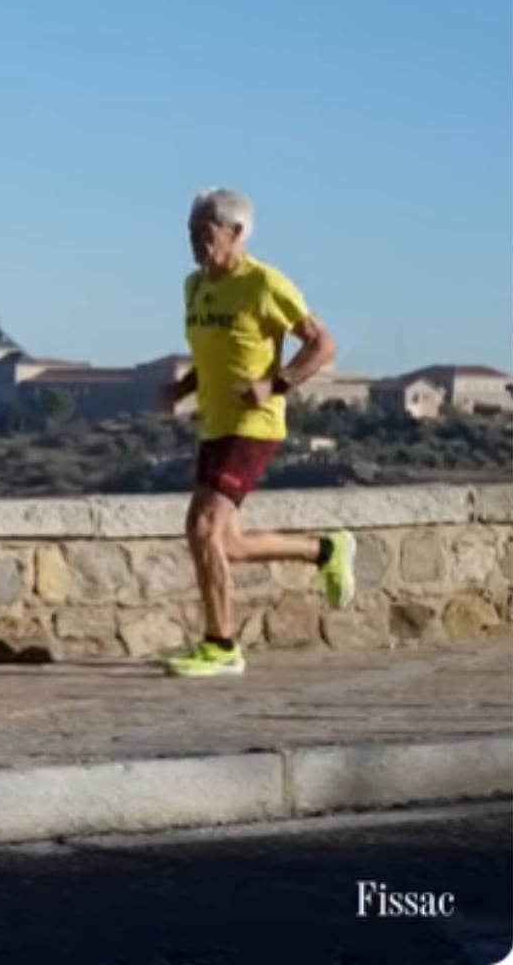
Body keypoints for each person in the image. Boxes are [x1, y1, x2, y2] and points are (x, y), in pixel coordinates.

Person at [160, 187, 356, 678]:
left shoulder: (266, 284)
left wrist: (275, 383)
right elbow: (215, 355)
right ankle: (325, 549)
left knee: (203, 528)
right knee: (222, 541)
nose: (196, 245)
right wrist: (182, 388)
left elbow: (323, 344)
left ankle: (221, 644)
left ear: (236, 233)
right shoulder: (194, 286)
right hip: (215, 423)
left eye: (205, 236)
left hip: (253, 426)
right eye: (190, 234)